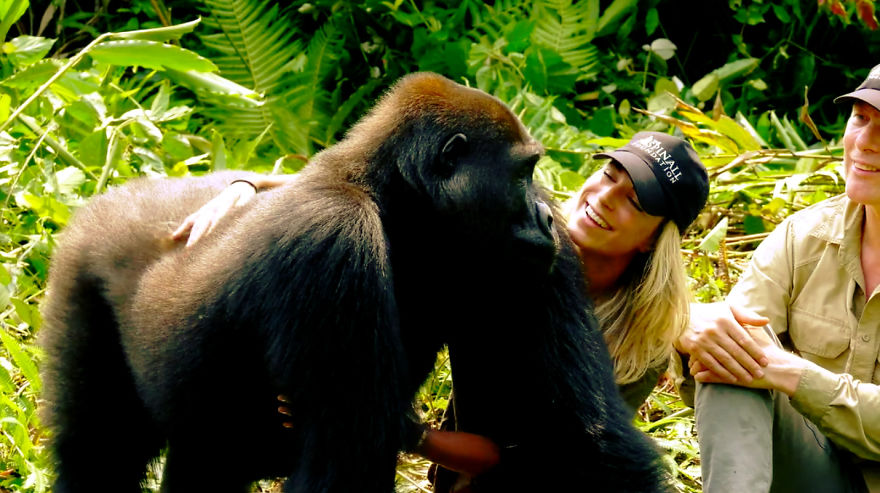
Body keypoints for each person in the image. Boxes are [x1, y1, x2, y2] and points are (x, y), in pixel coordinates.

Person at [171, 131, 710, 488]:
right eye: (610, 173)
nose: (605, 197)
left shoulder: (640, 344)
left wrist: (402, 431)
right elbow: (386, 194)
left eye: (635, 199)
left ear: (653, 240)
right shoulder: (522, 223)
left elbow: (548, 459)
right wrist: (247, 184)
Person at [677, 64, 880, 493]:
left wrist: (792, 375)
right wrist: (690, 323)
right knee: (734, 351)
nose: (864, 143)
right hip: (813, 472)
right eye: (860, 118)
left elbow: (776, 369)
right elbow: (729, 343)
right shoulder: (804, 237)